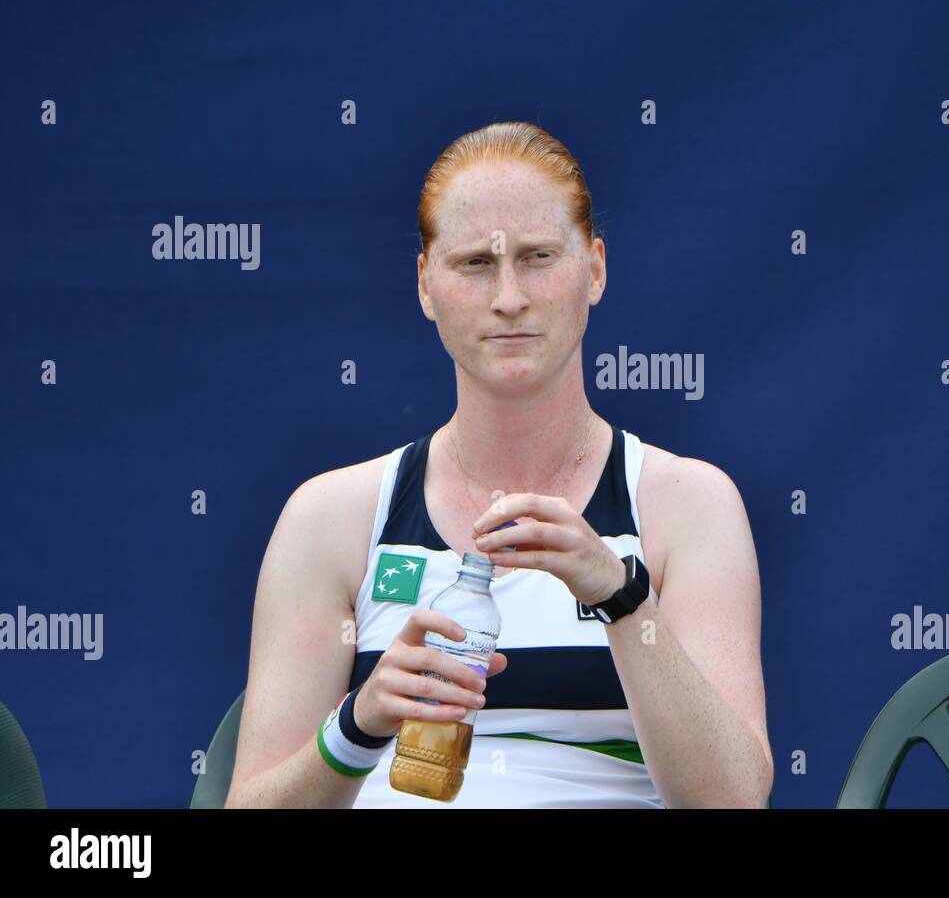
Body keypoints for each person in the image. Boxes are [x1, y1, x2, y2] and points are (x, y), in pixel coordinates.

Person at [225, 121, 771, 808]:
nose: (509, 297)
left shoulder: (686, 504)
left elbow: (732, 801)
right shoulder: (331, 517)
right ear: (426, 285)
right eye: (476, 263)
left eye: (539, 256)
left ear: (595, 269)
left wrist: (620, 597)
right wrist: (358, 726)